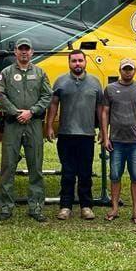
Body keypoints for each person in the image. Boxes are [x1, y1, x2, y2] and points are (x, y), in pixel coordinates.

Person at [0, 38, 52, 222]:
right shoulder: (6, 73)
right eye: (21, 50)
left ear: (32, 52)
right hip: (12, 124)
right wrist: (14, 111)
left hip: (33, 124)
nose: (24, 53)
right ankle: (5, 207)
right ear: (16, 53)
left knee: (36, 167)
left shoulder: (40, 73)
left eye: (27, 50)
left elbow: (47, 96)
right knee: (8, 166)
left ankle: (35, 207)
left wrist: (32, 112)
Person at [46, 49, 105, 220]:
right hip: (66, 134)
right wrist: (49, 126)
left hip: (87, 135)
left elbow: (100, 108)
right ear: (69, 63)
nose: (77, 64)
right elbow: (53, 105)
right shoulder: (60, 82)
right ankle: (65, 206)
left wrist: (102, 129)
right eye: (74, 61)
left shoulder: (95, 82)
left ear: (85, 62)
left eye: (80, 60)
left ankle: (86, 206)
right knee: (68, 172)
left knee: (85, 172)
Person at [101, 58, 136, 224]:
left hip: (135, 141)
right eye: (125, 69)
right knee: (115, 175)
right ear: (120, 70)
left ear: (135, 70)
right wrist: (105, 136)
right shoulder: (110, 89)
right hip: (116, 141)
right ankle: (114, 208)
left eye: (130, 69)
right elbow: (105, 112)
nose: (127, 72)